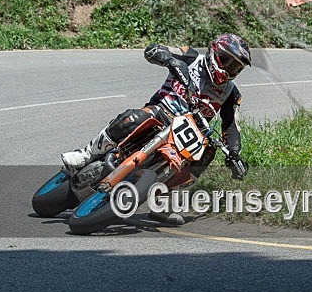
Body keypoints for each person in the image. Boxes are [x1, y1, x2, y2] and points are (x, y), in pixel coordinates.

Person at [61, 34, 252, 225]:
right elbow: (153, 49)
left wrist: (234, 155)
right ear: (215, 52)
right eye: (227, 61)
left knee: (208, 153)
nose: (229, 69)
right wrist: (170, 60)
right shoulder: (191, 57)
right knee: (132, 117)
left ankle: (161, 201)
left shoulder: (231, 93)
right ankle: (86, 154)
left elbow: (231, 125)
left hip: (189, 132)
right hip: (161, 112)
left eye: (236, 67)